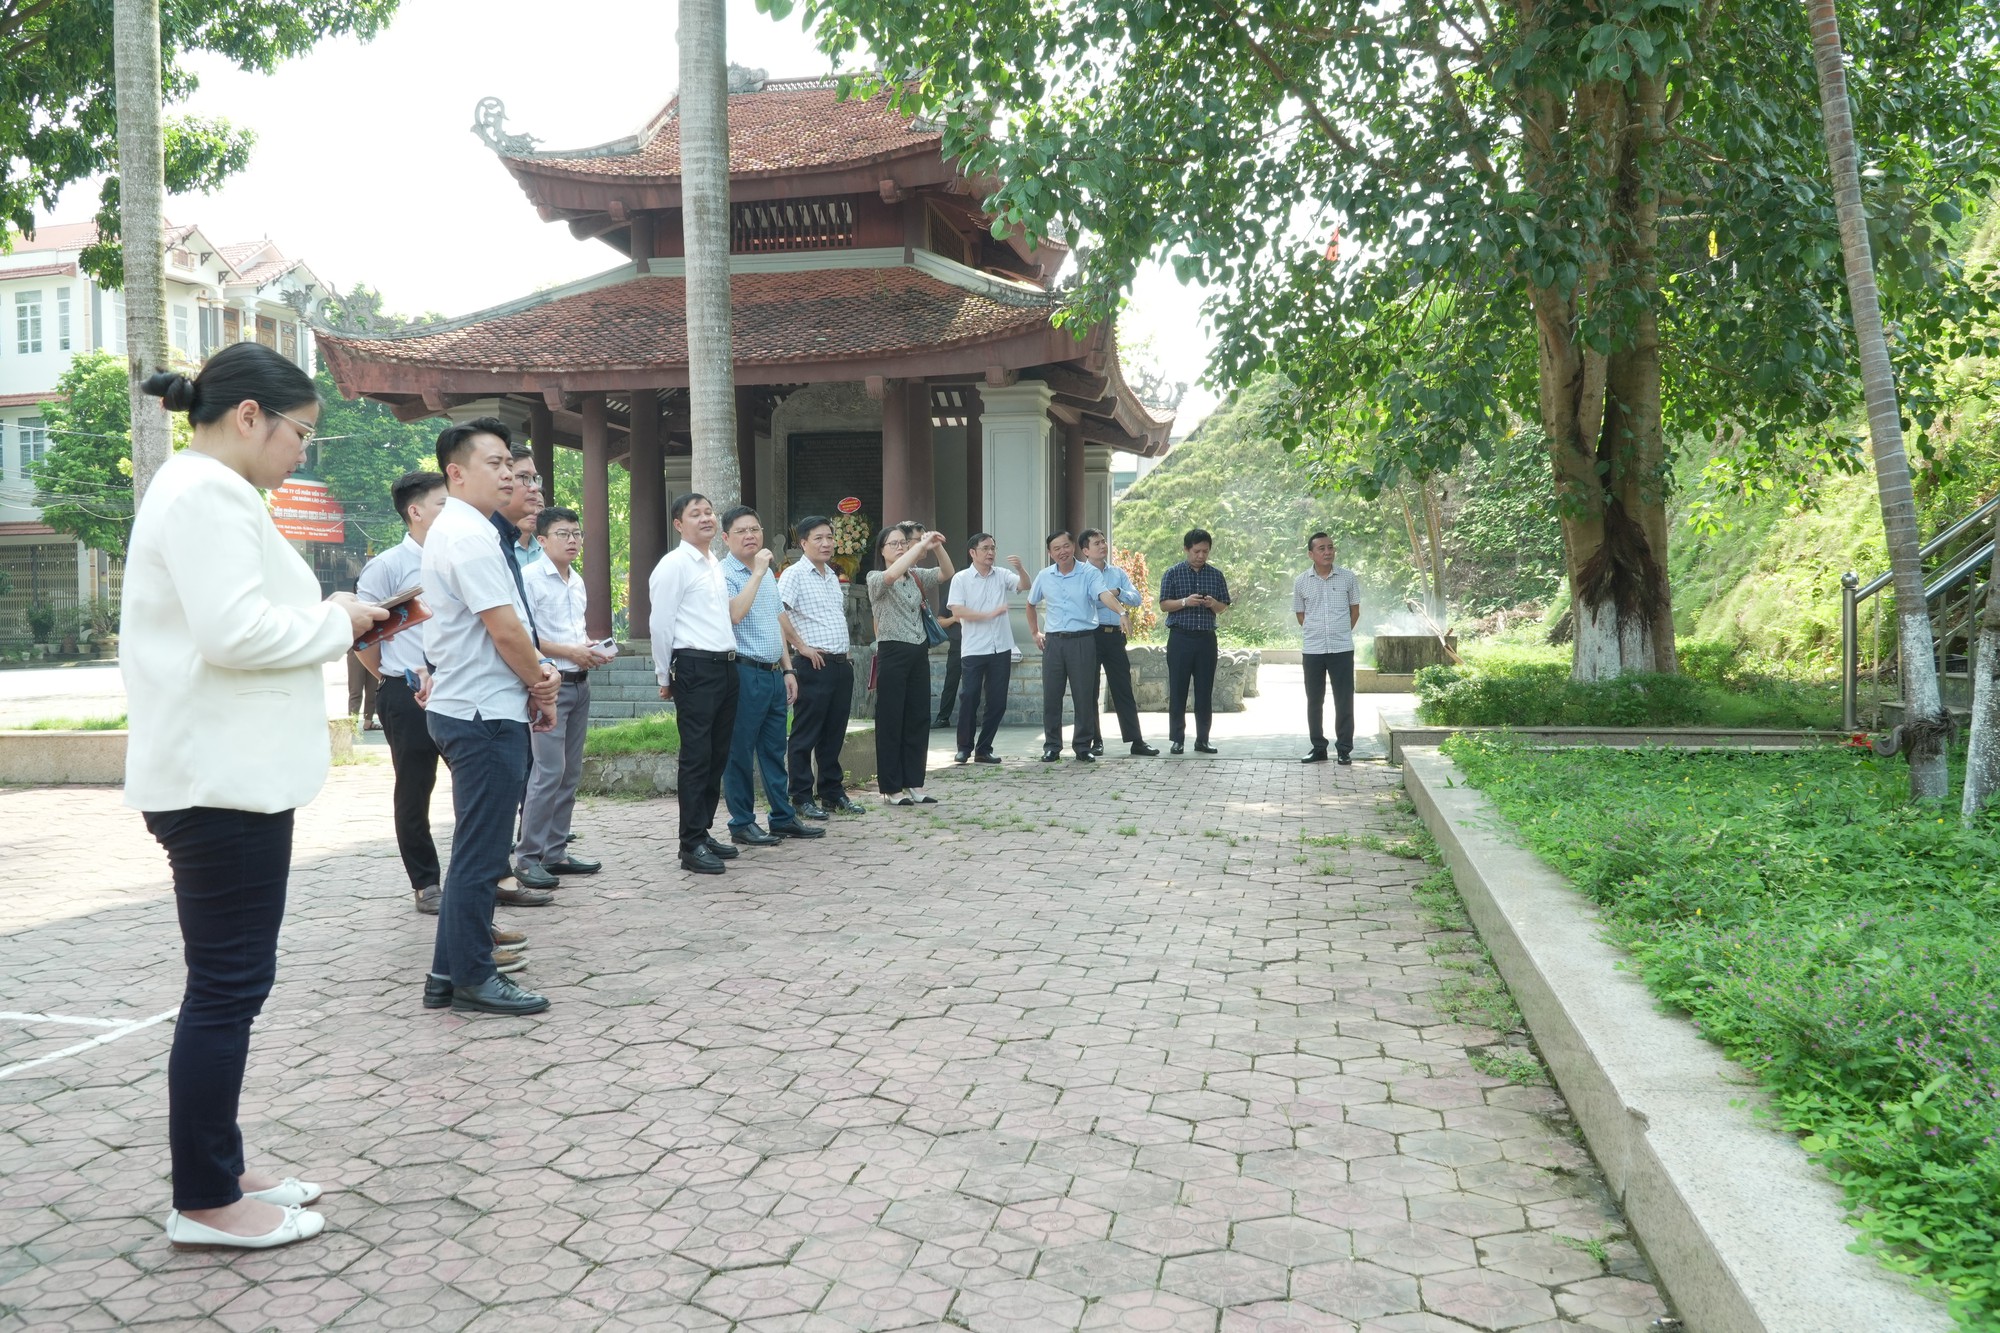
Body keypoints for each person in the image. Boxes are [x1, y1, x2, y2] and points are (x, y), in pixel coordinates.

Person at [122, 342, 388, 1250]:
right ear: (248, 416)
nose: (301, 453)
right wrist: (337, 619)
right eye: (299, 433)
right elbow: (234, 631)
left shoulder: (210, 491)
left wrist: (334, 614)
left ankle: (221, 1165)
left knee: (230, 984)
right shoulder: (206, 494)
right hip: (217, 783)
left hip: (224, 776)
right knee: (227, 988)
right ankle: (203, 1198)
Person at [420, 417, 562, 1017]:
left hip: (480, 706)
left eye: (511, 463)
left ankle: (447, 972)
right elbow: (504, 629)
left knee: (477, 851)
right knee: (480, 858)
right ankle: (475, 980)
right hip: (481, 714)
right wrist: (542, 683)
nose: (508, 474)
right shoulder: (468, 536)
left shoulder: (471, 531)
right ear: (455, 473)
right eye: (495, 464)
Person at [355, 471, 448, 914]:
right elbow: (362, 639)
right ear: (415, 511)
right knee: (415, 789)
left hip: (456, 688)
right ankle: (426, 883)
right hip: (405, 695)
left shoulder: (455, 557)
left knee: (478, 784)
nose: (451, 513)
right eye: (442, 505)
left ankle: (494, 873)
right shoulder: (388, 566)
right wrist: (393, 678)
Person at [718, 505, 827, 846]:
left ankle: (782, 816)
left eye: (755, 529)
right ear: (726, 538)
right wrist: (757, 573)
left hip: (772, 674)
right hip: (742, 672)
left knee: (774, 749)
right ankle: (742, 822)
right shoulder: (725, 573)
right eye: (742, 531)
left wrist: (788, 668)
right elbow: (735, 614)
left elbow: (776, 621)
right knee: (739, 751)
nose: (750, 536)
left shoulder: (765, 575)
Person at [649, 493, 742, 874]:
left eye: (709, 512)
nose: (705, 518)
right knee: (696, 756)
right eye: (695, 514)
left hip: (725, 666)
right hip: (694, 667)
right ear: (678, 524)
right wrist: (662, 675)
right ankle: (689, 844)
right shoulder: (674, 565)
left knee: (717, 754)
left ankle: (702, 831)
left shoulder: (714, 563)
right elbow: (660, 624)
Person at [516, 506, 611, 880]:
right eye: (563, 534)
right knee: (547, 773)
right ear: (541, 540)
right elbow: (528, 638)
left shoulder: (576, 580)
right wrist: (571, 652)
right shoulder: (528, 578)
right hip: (547, 687)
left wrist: (587, 647)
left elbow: (571, 631)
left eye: (577, 533)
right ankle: (527, 857)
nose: (573, 540)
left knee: (569, 773)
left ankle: (555, 852)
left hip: (579, 683)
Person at [491, 448, 558, 895]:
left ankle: (480, 930)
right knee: (485, 824)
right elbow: (505, 629)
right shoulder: (479, 540)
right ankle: (466, 953)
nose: (535, 488)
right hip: (484, 703)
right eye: (523, 477)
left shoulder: (501, 540)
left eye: (535, 478)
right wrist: (541, 680)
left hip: (514, 691)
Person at [779, 515, 862, 819]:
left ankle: (831, 792)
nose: (827, 543)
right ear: (802, 543)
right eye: (819, 538)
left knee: (834, 733)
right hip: (813, 664)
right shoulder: (794, 575)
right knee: (806, 734)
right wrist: (800, 646)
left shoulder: (831, 575)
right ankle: (801, 796)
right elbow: (779, 613)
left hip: (840, 665)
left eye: (829, 537)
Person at [868, 524, 954, 804]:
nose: (900, 547)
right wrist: (919, 547)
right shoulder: (876, 577)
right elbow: (892, 574)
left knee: (918, 717)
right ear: (881, 551)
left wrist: (936, 545)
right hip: (892, 652)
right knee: (892, 719)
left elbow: (946, 573)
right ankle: (892, 787)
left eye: (903, 542)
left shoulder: (916, 575)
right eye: (893, 544)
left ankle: (914, 783)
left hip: (918, 651)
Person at [1025, 529, 1127, 762]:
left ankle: (1083, 746)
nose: (1062, 552)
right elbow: (1031, 604)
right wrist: (1035, 633)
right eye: (1056, 548)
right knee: (1052, 695)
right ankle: (1052, 746)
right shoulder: (1044, 576)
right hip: (1054, 643)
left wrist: (1121, 611)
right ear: (1050, 553)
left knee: (1083, 696)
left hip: (1082, 641)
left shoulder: (1089, 572)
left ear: (1074, 548)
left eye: (1066, 546)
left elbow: (1103, 595)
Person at [945, 533, 1028, 764]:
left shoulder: (1001, 575)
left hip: (1001, 648)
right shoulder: (961, 579)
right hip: (973, 648)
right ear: (973, 552)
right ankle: (964, 748)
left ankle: (984, 749)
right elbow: (957, 611)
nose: (990, 552)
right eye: (985, 548)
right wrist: (987, 615)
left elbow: (1025, 585)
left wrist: (1021, 569)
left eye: (993, 548)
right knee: (969, 696)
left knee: (998, 702)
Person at [1079, 528, 1159, 758]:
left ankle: (1136, 741)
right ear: (1085, 550)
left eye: (1104, 541)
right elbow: (1087, 602)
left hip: (1115, 636)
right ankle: (1095, 741)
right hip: (1090, 636)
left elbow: (1136, 598)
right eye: (1096, 543)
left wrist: (1117, 592)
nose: (1103, 546)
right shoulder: (1080, 574)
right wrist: (1107, 598)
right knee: (1090, 690)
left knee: (1123, 688)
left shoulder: (1117, 573)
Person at [1159, 527, 1232, 754]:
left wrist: (1212, 603)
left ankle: (1203, 739)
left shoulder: (1216, 575)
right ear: (1186, 549)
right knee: (1178, 690)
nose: (1201, 556)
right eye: (1197, 551)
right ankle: (1177, 739)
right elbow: (1163, 605)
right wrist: (1185, 602)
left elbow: (1223, 606)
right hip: (1180, 638)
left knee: (1204, 691)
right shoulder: (1172, 573)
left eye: (1205, 552)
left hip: (1206, 640)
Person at [1295, 530, 1363, 765]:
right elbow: (1300, 614)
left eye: (1331, 547)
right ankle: (1318, 747)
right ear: (1310, 554)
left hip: (1342, 648)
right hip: (1313, 649)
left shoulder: (1347, 578)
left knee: (1344, 699)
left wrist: (1339, 631)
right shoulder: (1301, 581)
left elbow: (1355, 611)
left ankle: (1344, 748)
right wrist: (1318, 632)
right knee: (1314, 700)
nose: (1328, 552)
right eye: (1322, 548)